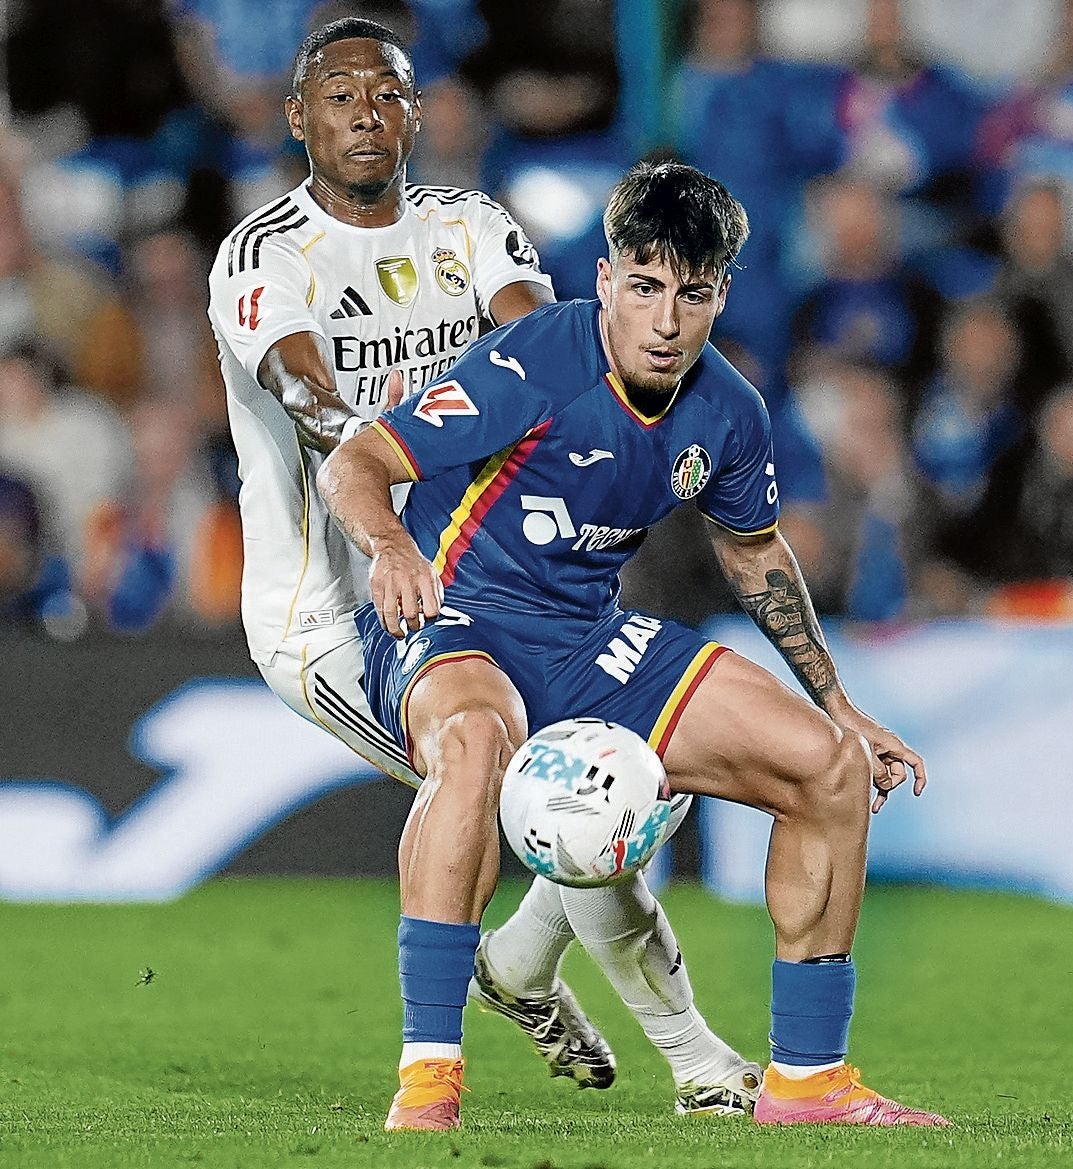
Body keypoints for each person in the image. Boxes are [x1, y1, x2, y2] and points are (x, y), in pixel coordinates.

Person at [318, 159, 949, 1130]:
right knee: (477, 744)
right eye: (645, 287)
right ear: (607, 279)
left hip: (589, 635)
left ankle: (808, 1080)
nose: (665, 320)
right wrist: (392, 544)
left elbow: (754, 552)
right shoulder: (534, 364)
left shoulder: (729, 411)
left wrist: (840, 705)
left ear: (719, 294)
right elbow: (359, 462)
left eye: (691, 295)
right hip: (459, 616)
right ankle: (429, 1080)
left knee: (827, 771)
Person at [206, 16, 760, 1122]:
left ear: (418, 114)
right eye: (340, 94)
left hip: (485, 584)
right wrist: (397, 460)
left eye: (387, 93)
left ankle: (516, 965)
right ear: (297, 116)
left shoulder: (470, 226)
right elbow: (311, 396)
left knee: (608, 783)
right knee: (547, 781)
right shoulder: (264, 253)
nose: (365, 111)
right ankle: (673, 1052)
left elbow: (547, 350)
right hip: (332, 605)